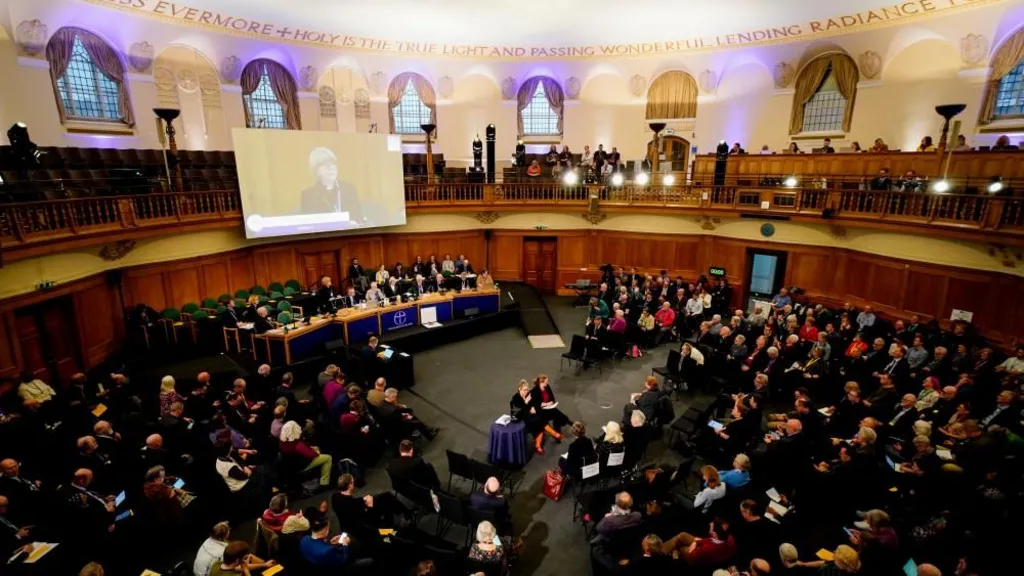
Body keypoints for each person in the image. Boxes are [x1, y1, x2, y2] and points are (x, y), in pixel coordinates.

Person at [300, 147, 363, 222]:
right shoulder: (308, 195)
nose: (331, 167)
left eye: (333, 163)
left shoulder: (349, 189)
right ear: (316, 170)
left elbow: (358, 217)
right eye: (325, 164)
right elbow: (309, 224)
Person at [300, 514, 372, 569]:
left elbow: (319, 546)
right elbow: (344, 560)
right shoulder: (327, 551)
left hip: (319, 563)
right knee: (370, 561)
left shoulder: (304, 539)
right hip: (337, 567)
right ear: (325, 530)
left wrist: (330, 544)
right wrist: (345, 545)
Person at [278, 421, 332, 488]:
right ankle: (324, 483)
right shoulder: (297, 445)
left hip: (290, 466)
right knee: (328, 458)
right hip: (302, 465)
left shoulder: (282, 442)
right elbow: (310, 455)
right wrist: (316, 452)